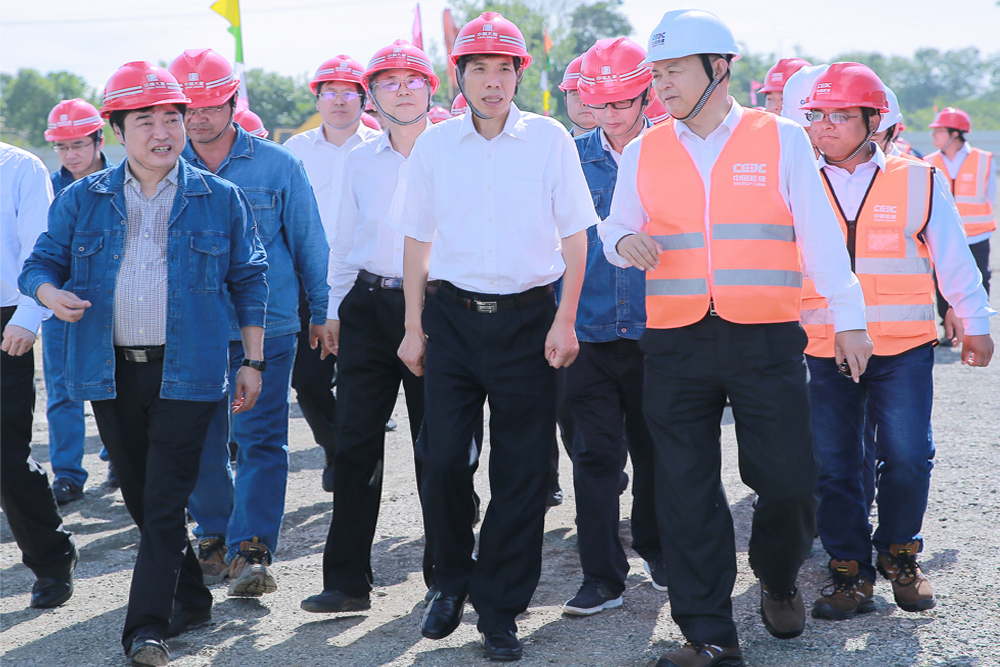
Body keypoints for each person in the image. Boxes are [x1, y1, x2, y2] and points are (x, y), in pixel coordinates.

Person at [598, 11, 872, 667]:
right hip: (674, 343)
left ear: (718, 69)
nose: (659, 85)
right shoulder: (644, 149)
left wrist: (850, 316)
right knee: (685, 491)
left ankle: (777, 578)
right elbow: (613, 231)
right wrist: (623, 242)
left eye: (672, 72)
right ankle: (710, 636)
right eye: (655, 74)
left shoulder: (779, 139)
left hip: (766, 339)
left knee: (787, 483)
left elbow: (819, 235)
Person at [19, 61, 268, 667]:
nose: (163, 131)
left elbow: (250, 279)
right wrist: (51, 296)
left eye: (172, 118)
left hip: (191, 369)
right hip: (110, 371)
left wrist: (253, 360)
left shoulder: (220, 197)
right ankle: (191, 595)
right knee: (138, 494)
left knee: (162, 503)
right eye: (146, 120)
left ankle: (145, 630)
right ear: (116, 130)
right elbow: (39, 265)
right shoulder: (82, 199)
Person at [392, 12, 595, 661]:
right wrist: (413, 325)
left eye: (502, 69)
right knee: (443, 453)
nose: (491, 81)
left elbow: (575, 235)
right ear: (460, 77)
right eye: (478, 68)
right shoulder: (435, 146)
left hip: (528, 321)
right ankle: (449, 579)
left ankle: (499, 606)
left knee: (525, 471)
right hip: (450, 318)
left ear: (518, 76)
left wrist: (565, 318)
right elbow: (417, 239)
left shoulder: (549, 140)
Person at [799, 63, 995, 621]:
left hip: (903, 344)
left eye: (840, 115)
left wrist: (973, 320)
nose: (825, 125)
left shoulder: (920, 178)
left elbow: (954, 257)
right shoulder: (797, 178)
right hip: (825, 344)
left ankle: (899, 553)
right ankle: (848, 571)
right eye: (817, 115)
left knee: (908, 456)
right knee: (835, 464)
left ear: (873, 119)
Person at [297, 39, 450, 615]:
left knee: (438, 447)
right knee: (357, 442)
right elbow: (344, 239)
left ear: (431, 89)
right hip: (366, 305)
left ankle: (445, 573)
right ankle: (346, 581)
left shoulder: (456, 150)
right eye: (389, 82)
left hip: (437, 308)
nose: (402, 89)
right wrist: (331, 310)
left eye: (413, 79)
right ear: (372, 96)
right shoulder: (358, 159)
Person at [168, 48, 328, 597]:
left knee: (261, 438)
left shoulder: (278, 165)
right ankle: (213, 533)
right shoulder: (163, 167)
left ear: (235, 102)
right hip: (189, 329)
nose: (200, 118)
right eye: (189, 107)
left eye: (213, 105)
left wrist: (322, 311)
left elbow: (309, 243)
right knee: (200, 438)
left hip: (271, 323)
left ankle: (252, 548)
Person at [559, 36, 665, 618]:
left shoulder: (673, 152)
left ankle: (656, 548)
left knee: (659, 451)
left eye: (622, 103)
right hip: (588, 331)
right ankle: (601, 575)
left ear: (646, 94)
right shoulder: (569, 159)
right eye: (599, 105)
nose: (610, 116)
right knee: (594, 456)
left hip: (663, 330)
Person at [284, 55, 382, 491]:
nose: (339, 101)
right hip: (312, 284)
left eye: (349, 92)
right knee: (308, 381)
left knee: (364, 383)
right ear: (317, 99)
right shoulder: (295, 152)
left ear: (364, 99)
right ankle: (337, 449)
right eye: (330, 92)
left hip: (367, 283)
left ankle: (361, 460)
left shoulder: (382, 143)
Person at [1, 142, 78, 611]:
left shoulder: (19, 167)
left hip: (7, 318)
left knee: (6, 455)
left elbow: (41, 246)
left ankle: (52, 559)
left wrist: (31, 314)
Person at [43, 99, 117, 501]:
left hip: (117, 302)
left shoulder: (126, 180)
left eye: (79, 145)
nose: (71, 155)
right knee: (62, 389)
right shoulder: (46, 187)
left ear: (98, 140)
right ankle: (68, 474)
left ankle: (120, 459)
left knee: (119, 385)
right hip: (59, 303)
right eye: (63, 147)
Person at [925, 106, 995, 341]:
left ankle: (973, 327)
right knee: (942, 283)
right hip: (942, 237)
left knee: (980, 280)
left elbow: (991, 196)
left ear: (955, 133)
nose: (933, 135)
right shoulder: (928, 162)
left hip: (977, 234)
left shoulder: (983, 159)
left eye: (939, 130)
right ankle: (949, 329)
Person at [560, 54, 598, 136]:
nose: (585, 103)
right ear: (566, 101)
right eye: (576, 94)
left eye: (592, 94)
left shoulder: (629, 148)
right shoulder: (553, 147)